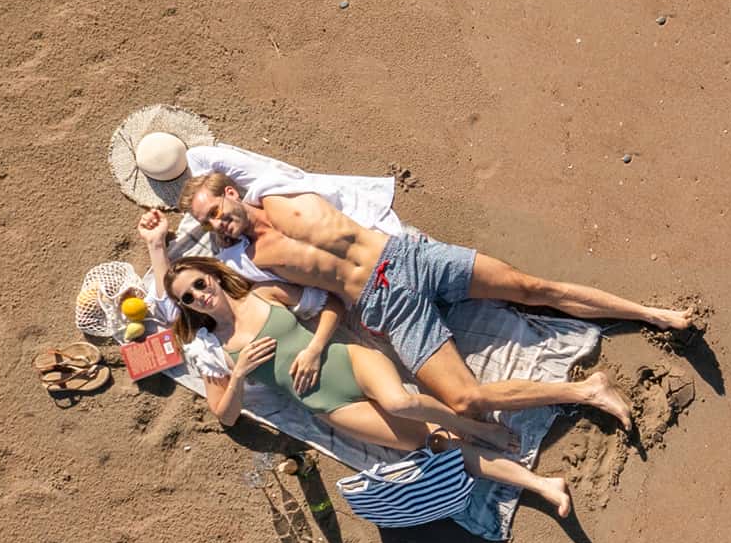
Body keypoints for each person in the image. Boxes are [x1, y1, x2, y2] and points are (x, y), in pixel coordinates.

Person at [138, 211, 590, 517]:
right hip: (329, 405)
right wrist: (238, 374)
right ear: (189, 306)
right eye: (189, 297)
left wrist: (314, 347)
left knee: (400, 400)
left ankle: (478, 428)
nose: (199, 295)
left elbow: (332, 305)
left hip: (349, 361)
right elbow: (226, 416)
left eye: (200, 283)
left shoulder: (263, 294)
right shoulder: (211, 348)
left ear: (213, 275)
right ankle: (542, 485)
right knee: (434, 447)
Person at [179, 171, 689, 423]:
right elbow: (180, 293)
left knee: (532, 288)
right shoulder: (251, 262)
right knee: (463, 399)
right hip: (382, 305)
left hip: (409, 257)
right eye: (207, 223)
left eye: (217, 209)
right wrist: (161, 245)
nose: (218, 222)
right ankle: (588, 391)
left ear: (231, 192)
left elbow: (211, 156)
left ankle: (651, 314)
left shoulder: (278, 188)